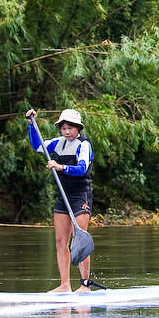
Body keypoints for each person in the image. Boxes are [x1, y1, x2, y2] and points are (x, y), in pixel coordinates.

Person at [26, 107, 94, 293]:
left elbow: (81, 169)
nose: (67, 131)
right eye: (63, 128)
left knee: (79, 239)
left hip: (80, 195)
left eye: (70, 128)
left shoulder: (84, 144)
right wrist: (32, 125)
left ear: (78, 128)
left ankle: (84, 285)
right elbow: (37, 146)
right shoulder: (58, 143)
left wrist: (60, 166)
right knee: (60, 241)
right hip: (63, 197)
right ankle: (65, 285)